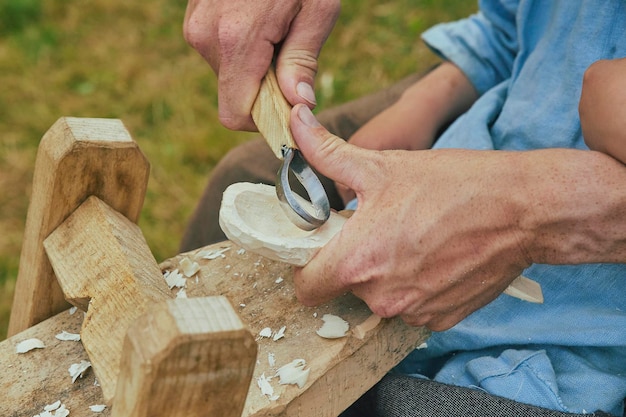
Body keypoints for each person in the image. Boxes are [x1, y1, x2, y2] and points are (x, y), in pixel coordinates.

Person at [183, 0, 626, 415]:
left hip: (569, 344)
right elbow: (521, 26)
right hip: (501, 108)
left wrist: (524, 213)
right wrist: (428, 101)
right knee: (245, 174)